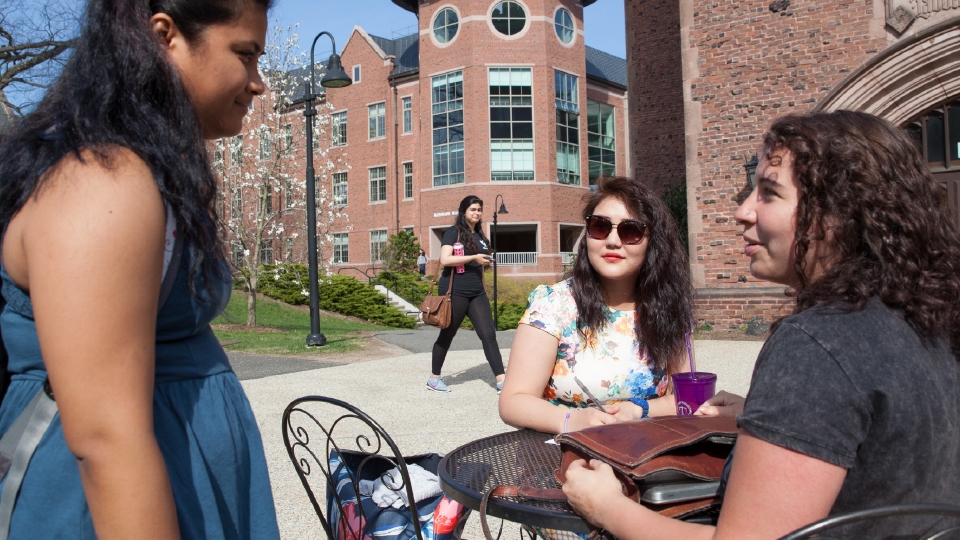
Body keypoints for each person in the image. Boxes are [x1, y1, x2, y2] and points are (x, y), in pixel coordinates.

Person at [561, 111, 960, 539]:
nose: (742, 211)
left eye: (768, 193)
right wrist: (768, 413)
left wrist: (607, 507)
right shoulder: (926, 318)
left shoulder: (817, 342)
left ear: (837, 215)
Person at [0, 0, 280, 538]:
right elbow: (106, 439)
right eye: (244, 55)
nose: (258, 82)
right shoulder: (102, 183)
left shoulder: (148, 172)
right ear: (163, 37)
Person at [499, 176, 694, 434]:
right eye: (601, 226)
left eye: (631, 230)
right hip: (564, 456)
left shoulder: (669, 308)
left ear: (653, 243)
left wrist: (641, 410)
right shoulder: (553, 305)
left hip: (647, 454)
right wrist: (570, 420)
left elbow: (689, 398)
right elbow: (513, 401)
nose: (612, 241)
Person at [427, 196, 505, 393]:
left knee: (488, 334)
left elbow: (479, 258)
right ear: (463, 211)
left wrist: (485, 261)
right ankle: (434, 378)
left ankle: (501, 380)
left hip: (476, 292)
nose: (477, 213)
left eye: (479, 209)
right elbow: (445, 259)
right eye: (472, 209)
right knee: (448, 334)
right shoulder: (454, 232)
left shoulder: (478, 234)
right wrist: (474, 257)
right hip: (455, 291)